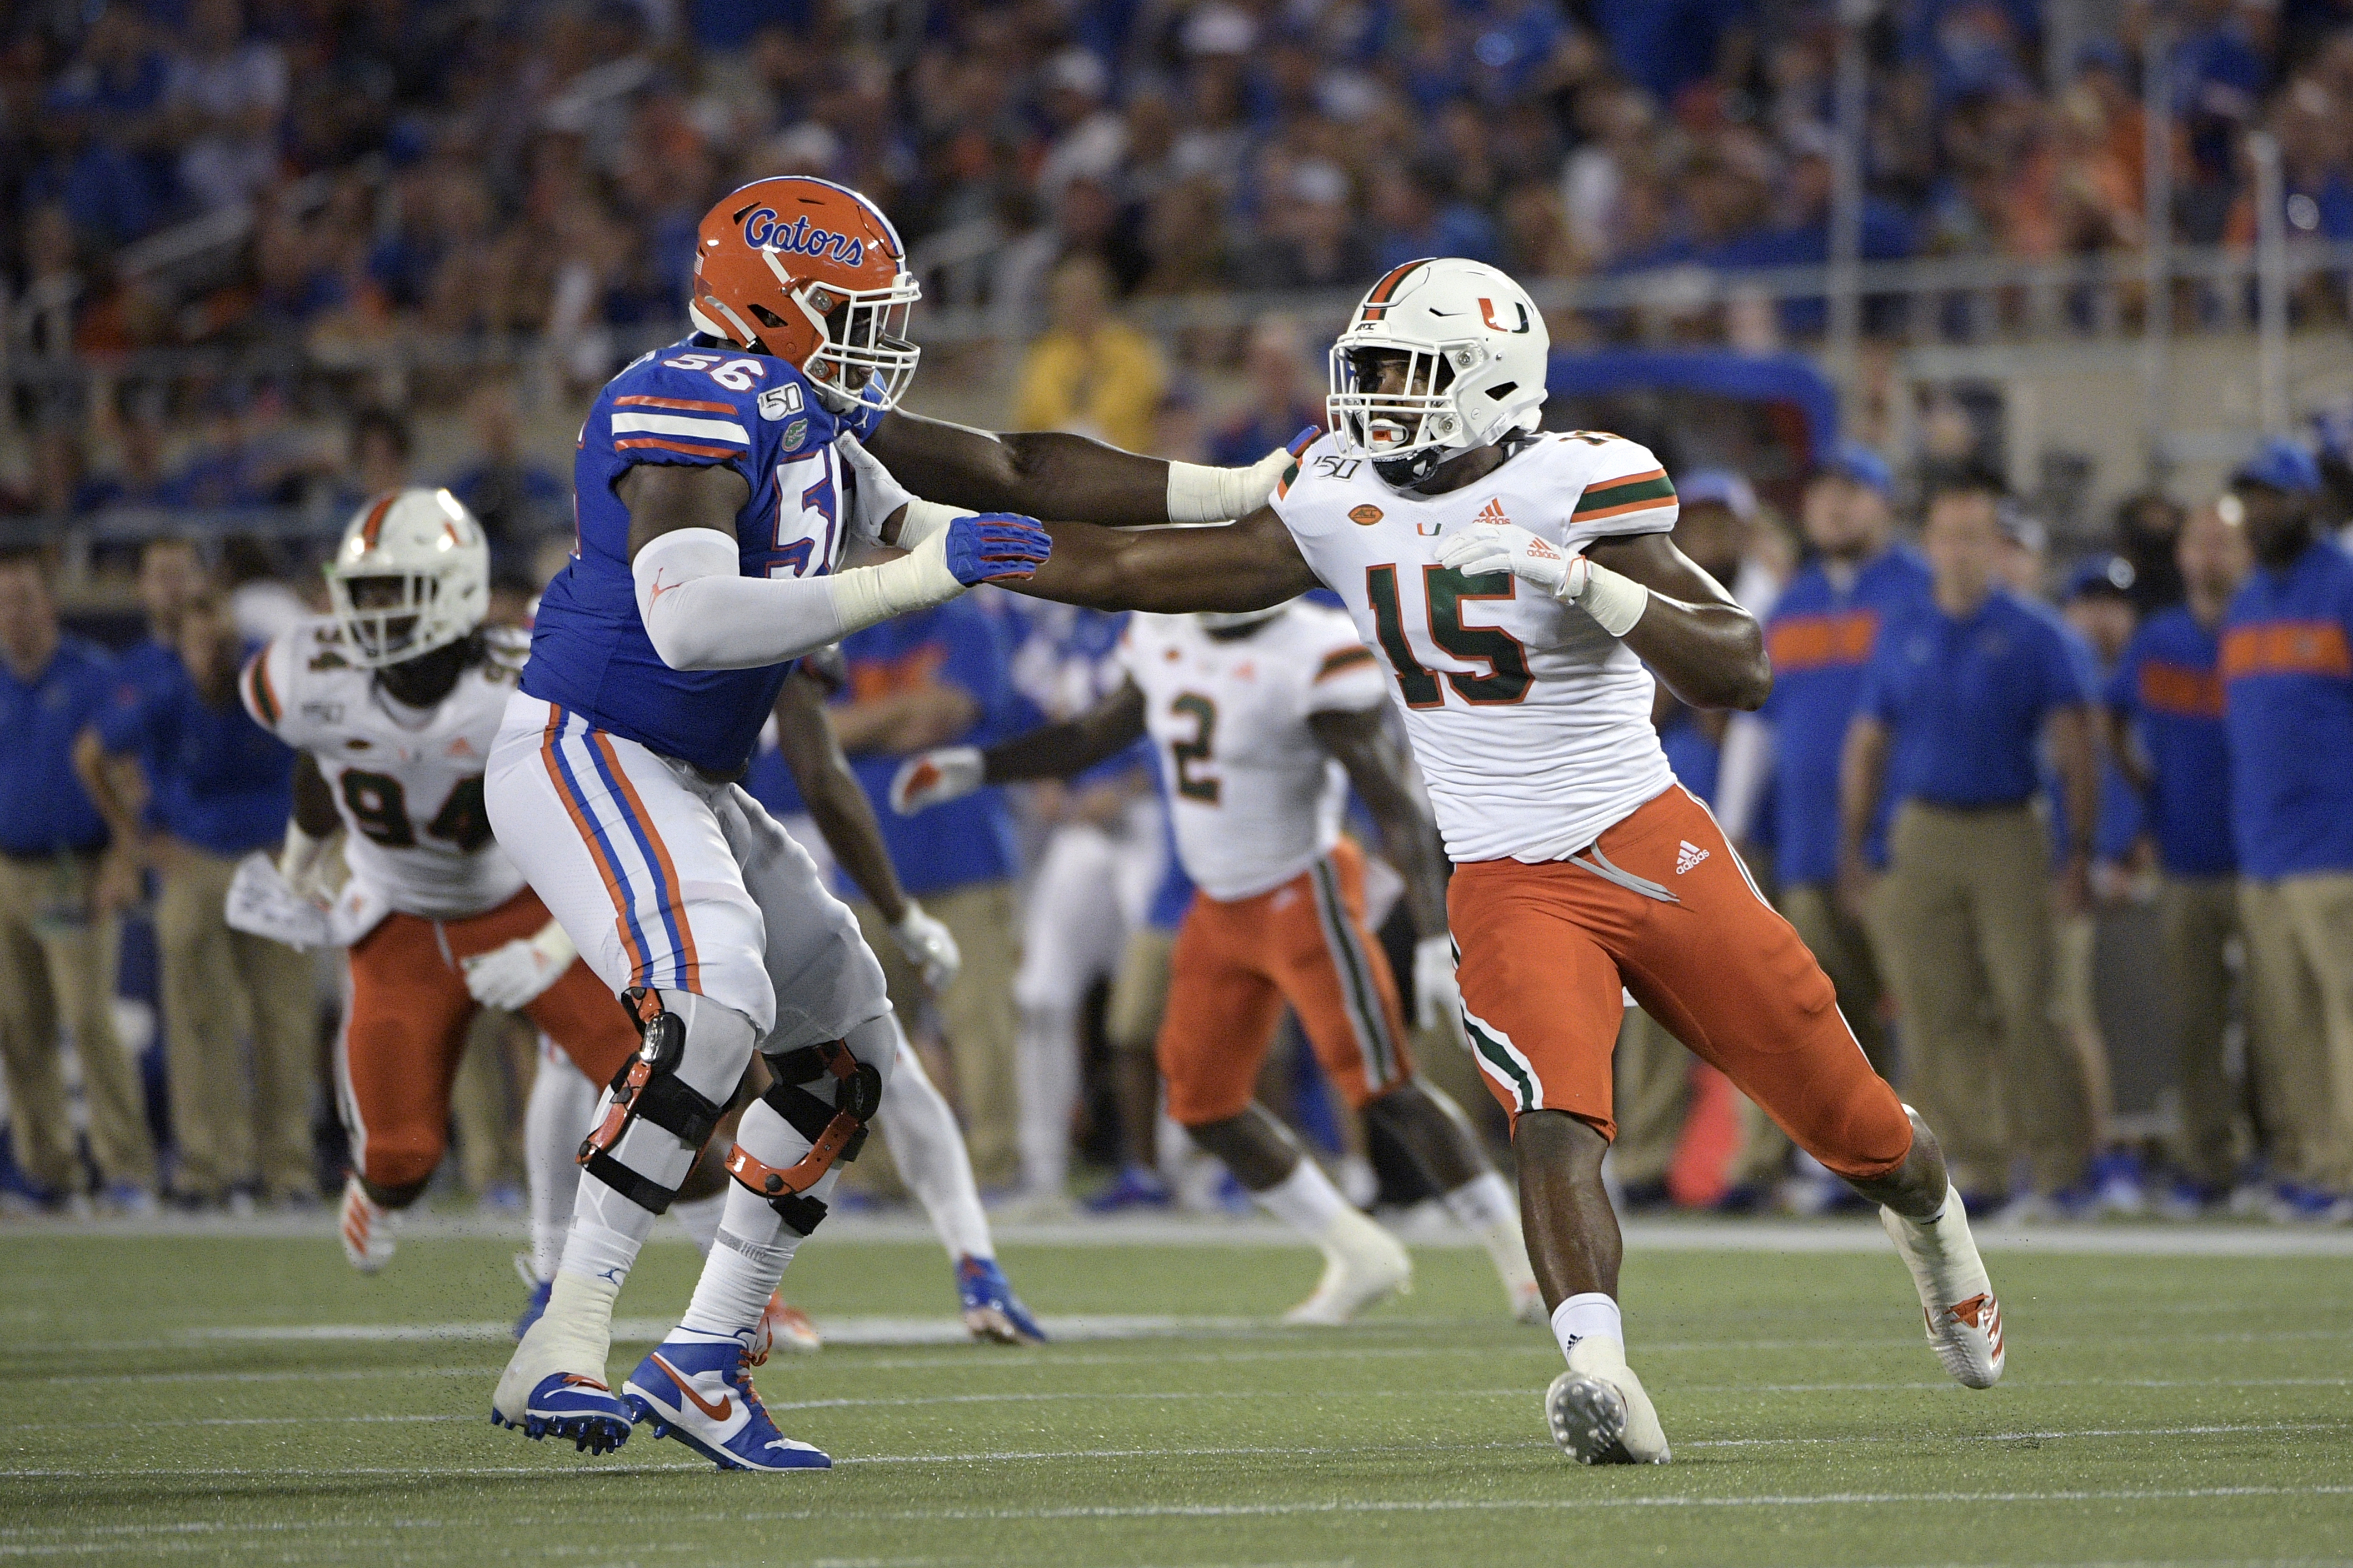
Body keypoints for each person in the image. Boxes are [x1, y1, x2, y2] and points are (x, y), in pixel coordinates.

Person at [958, 256, 2005, 1465]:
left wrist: (1581, 582)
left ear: (1491, 378)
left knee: (1862, 1129)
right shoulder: (1337, 490)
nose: (1376, 402)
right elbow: (1128, 568)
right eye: (1368, 374)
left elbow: (1738, 668)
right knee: (1550, 1119)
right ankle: (1600, 1375)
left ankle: (1934, 1233)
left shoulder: (1577, 481)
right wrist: (942, 544)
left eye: (1405, 373)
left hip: (1645, 841)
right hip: (1504, 872)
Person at [486, 176, 1291, 1470]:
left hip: (690, 772)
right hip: (590, 747)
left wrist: (1250, 496)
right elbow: (689, 621)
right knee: (714, 1004)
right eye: (851, 313)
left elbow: (1024, 480)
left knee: (849, 1057)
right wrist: (918, 572)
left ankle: (704, 1361)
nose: (879, 339)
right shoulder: (687, 395)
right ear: (768, 303)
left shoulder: (813, 420)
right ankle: (562, 1343)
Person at [897, 600, 1542, 1325]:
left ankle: (1522, 1261)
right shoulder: (1163, 632)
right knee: (1202, 1103)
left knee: (1383, 1083)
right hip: (1216, 900)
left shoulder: (1313, 649)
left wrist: (1433, 934)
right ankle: (1357, 1250)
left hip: (1305, 891)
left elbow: (1392, 804)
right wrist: (980, 766)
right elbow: (1088, 736)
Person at [222, 489, 644, 1273]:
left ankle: (745, 1301)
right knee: (402, 1157)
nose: (374, 613)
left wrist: (554, 948)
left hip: (518, 901)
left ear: (454, 590)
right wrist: (300, 869)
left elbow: (595, 833)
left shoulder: (529, 678)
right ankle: (375, 1186)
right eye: (365, 592)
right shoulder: (307, 674)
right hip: (398, 917)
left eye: (396, 591)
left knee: (659, 1099)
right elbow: (322, 763)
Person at [1840, 474, 2097, 1218]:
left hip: (2007, 827)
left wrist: (2076, 848)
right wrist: (1854, 849)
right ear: (1929, 545)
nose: (1959, 550)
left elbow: (2075, 746)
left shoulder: (2034, 632)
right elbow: (1868, 741)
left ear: (1995, 544)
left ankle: (2057, 1167)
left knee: (2027, 1000)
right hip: (1919, 830)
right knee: (1932, 1006)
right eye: (1947, 535)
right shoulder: (1902, 626)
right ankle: (1975, 1169)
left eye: (1974, 535)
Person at [1715, 448, 1927, 1191]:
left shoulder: (1915, 589)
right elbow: (1758, 727)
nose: (1833, 507)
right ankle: (1858, 1164)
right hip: (1806, 842)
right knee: (1824, 1021)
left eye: (1850, 493)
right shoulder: (1792, 602)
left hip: (1898, 844)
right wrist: (1735, 822)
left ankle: (1942, 1161)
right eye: (1822, 494)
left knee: (1923, 1009)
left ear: (1882, 505)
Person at [77, 586, 312, 1209]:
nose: (213, 655)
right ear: (180, 646)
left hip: (272, 858)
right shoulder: (162, 691)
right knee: (196, 1020)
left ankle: (286, 1169)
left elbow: (329, 748)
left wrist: (315, 846)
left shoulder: (269, 677)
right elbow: (92, 755)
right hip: (194, 858)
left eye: (222, 641)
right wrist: (137, 840)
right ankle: (207, 1167)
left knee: (283, 1020)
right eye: (201, 643)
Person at [830, 599, 1026, 1191]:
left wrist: (871, 723)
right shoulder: (847, 632)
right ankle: (876, 1177)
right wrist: (904, 713)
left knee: (981, 1022)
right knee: (862, 1031)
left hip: (964, 857)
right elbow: (823, 731)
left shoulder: (968, 623)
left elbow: (947, 716)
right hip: (866, 862)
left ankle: (993, 1171)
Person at [2105, 501, 2253, 1214]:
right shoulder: (2158, 638)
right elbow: (2112, 719)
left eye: (2222, 542)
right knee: (2192, 1021)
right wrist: (2146, 793)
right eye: (2199, 542)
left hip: (2266, 855)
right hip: (2187, 854)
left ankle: (2293, 1155)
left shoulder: (2264, 621)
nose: (2209, 556)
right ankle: (2209, 1163)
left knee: (2278, 1021)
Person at [2217, 440, 2353, 1222]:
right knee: (2285, 1023)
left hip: (2334, 843)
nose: (2259, 513)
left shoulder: (2340, 585)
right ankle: (2309, 1163)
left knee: (2343, 1015)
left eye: (2272, 497)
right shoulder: (2246, 598)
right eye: (2250, 500)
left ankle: (2345, 1166)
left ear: (2307, 501)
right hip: (2261, 847)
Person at [0, 549, 157, 1210]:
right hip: (6, 869)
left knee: (88, 1019)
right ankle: (49, 1173)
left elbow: (132, 777)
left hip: (73, 868)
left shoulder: (93, 675)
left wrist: (123, 861)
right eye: (4, 601)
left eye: (25, 598)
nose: (15, 612)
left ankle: (126, 1171)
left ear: (50, 603)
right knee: (18, 1026)